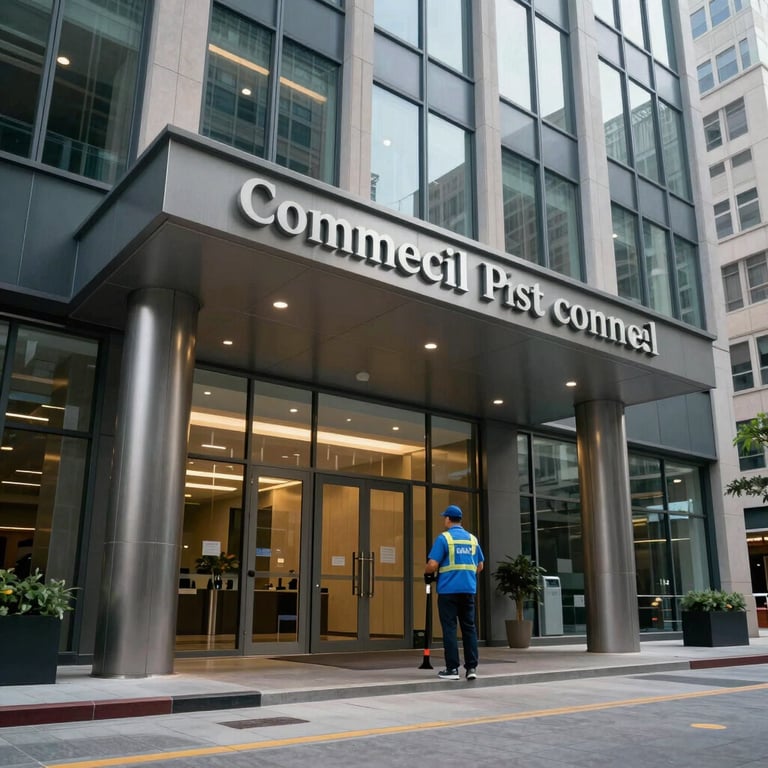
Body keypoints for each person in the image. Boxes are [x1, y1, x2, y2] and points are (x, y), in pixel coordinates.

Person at [424, 504, 484, 681]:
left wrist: (427, 573)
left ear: (448, 519)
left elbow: (433, 564)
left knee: (450, 629)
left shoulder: (444, 538)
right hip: (468, 590)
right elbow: (480, 566)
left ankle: (452, 669)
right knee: (469, 628)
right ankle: (471, 668)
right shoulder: (472, 539)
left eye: (445, 517)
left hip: (448, 591)